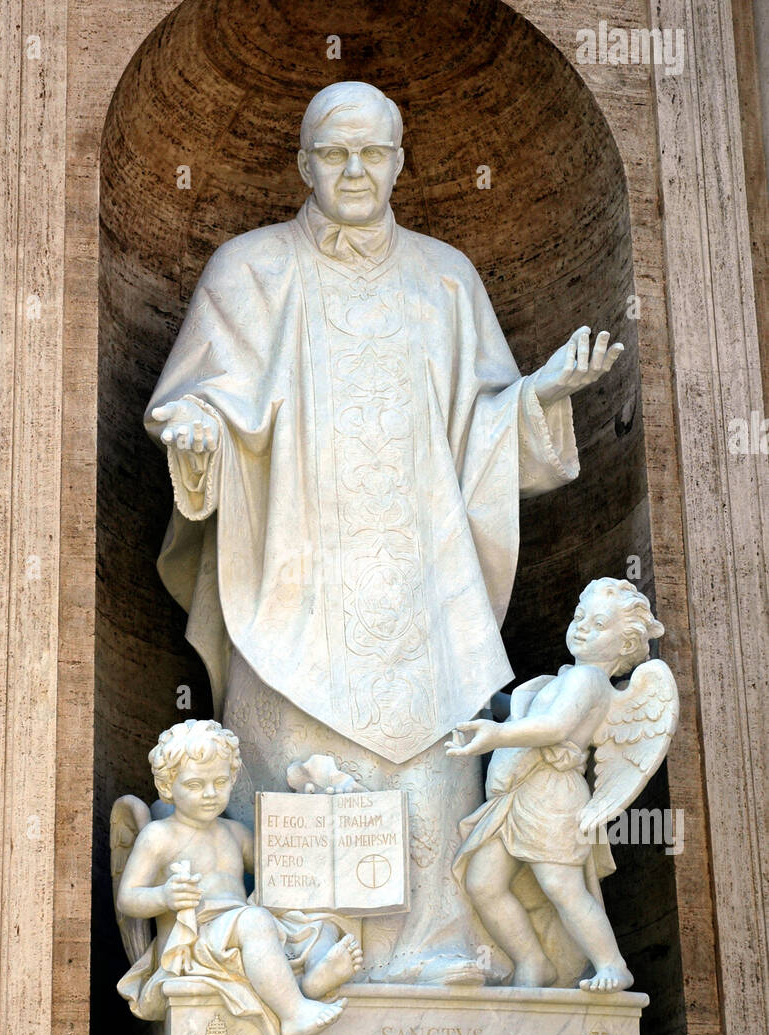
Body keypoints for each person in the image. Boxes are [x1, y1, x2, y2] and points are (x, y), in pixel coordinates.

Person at [144, 81, 623, 983]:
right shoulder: (248, 268)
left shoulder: (446, 276)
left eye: (374, 152)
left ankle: (442, 953)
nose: (355, 170)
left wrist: (539, 397)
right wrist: (199, 431)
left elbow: (480, 425)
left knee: (432, 777)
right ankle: (299, 961)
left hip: (422, 590)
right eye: (334, 152)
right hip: (291, 578)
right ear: (303, 163)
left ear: (401, 161)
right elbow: (197, 400)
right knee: (295, 769)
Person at [447, 579, 674, 991]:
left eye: (599, 623)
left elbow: (555, 727)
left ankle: (612, 964)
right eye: (579, 616)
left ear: (624, 645)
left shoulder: (588, 681)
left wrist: (496, 735)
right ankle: (534, 962)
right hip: (519, 796)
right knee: (483, 882)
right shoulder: (563, 678)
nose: (583, 626)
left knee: (563, 887)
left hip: (552, 796)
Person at [116, 719, 362, 1035]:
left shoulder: (233, 833)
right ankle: (293, 1014)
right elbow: (127, 899)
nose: (209, 794)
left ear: (232, 777)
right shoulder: (159, 836)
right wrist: (164, 895)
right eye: (194, 785)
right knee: (256, 921)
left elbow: (284, 867)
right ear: (167, 786)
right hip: (195, 942)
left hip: (240, 930)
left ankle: (312, 980)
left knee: (317, 924)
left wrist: (316, 811)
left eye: (220, 781)